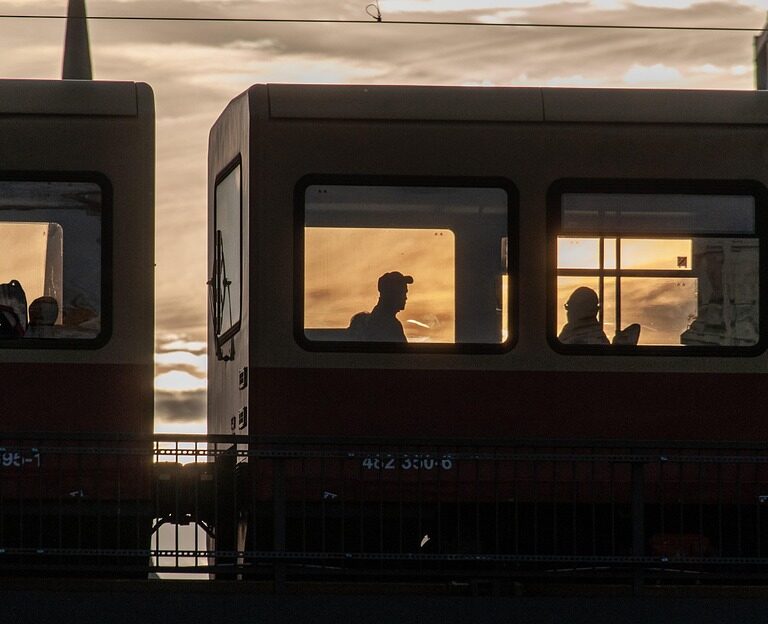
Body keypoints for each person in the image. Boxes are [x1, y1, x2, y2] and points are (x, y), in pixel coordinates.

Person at [353, 271, 413, 342]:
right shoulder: (386, 325)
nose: (405, 297)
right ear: (391, 293)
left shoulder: (384, 321)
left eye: (405, 293)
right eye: (402, 292)